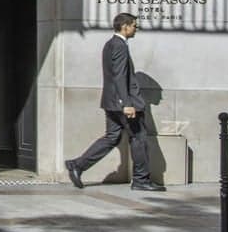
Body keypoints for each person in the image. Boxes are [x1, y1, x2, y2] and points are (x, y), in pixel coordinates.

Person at [66, 12, 166, 192]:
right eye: (134, 25)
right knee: (139, 138)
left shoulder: (109, 44)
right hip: (122, 104)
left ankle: (77, 165)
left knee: (112, 138)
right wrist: (126, 103)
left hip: (111, 102)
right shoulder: (119, 46)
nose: (136, 29)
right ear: (125, 26)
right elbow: (119, 76)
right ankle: (141, 180)